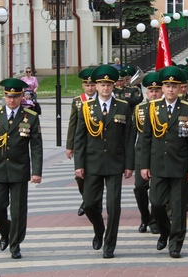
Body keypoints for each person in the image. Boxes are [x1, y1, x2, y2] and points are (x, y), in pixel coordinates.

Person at [73, 65, 135, 259]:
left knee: (114, 206)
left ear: (113, 86)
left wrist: (129, 164)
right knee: (90, 203)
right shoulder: (86, 107)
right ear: (96, 86)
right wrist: (79, 164)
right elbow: (80, 137)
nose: (105, 88)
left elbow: (128, 138)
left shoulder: (123, 106)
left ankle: (109, 244)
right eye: (101, 84)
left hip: (115, 162)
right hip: (92, 163)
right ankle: (99, 229)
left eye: (108, 84)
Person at [0, 78, 43, 260]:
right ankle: (5, 232)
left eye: (15, 96)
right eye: (8, 96)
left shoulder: (30, 117)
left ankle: (15, 244)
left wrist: (36, 171)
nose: (11, 100)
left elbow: (36, 146)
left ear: (22, 96)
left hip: (19, 169)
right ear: (4, 96)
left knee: (18, 210)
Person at [140, 67, 188, 259]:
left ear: (180, 88)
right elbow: (146, 138)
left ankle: (176, 244)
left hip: (180, 166)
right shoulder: (153, 107)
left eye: (174, 86)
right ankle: (165, 233)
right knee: (156, 203)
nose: (170, 90)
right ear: (162, 88)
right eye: (167, 86)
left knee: (179, 208)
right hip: (158, 164)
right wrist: (144, 165)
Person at [133, 72, 162, 235]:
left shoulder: (166, 109)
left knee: (158, 191)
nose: (154, 93)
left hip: (159, 155)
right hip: (141, 154)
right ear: (146, 93)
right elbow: (132, 134)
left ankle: (155, 220)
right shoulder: (139, 109)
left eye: (157, 90)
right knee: (140, 188)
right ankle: (145, 217)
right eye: (151, 91)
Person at [66, 67, 96, 216]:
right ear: (83, 86)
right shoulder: (78, 101)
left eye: (92, 85)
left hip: (96, 142)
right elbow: (73, 123)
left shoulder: (102, 100)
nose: (90, 88)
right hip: (80, 143)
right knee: (80, 176)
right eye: (87, 85)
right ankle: (86, 199)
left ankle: (91, 201)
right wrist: (69, 146)